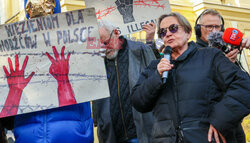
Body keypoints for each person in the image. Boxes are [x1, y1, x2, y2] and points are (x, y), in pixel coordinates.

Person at [131, 12, 250, 143]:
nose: (168, 33)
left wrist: (221, 120)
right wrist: (156, 78)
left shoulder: (210, 56)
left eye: (173, 28)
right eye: (163, 32)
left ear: (188, 33)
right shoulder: (155, 67)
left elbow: (244, 86)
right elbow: (138, 102)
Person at [11, 0, 93, 143]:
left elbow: (94, 82)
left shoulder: (77, 41)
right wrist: (14, 90)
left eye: (45, 1)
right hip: (30, 133)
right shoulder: (17, 53)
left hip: (71, 133)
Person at [92, 20, 155, 143]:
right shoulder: (97, 61)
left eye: (106, 42)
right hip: (113, 136)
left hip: (142, 133)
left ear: (116, 33)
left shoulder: (140, 49)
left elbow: (156, 82)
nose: (104, 48)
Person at [194, 9, 248, 142]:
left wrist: (231, 64)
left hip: (233, 120)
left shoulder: (228, 47)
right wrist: (221, 65)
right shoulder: (193, 51)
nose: (213, 30)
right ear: (198, 29)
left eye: (216, 26)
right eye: (208, 26)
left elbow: (240, 84)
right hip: (209, 124)